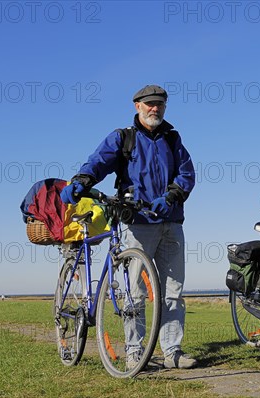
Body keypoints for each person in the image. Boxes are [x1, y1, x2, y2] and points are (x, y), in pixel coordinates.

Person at [60, 84, 197, 369]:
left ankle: (172, 352)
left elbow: (187, 173)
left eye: (159, 103)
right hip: (138, 222)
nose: (154, 108)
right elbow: (99, 162)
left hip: (171, 222)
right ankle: (135, 352)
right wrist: (82, 180)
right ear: (137, 105)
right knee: (135, 291)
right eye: (149, 103)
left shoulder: (173, 138)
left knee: (173, 291)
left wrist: (171, 196)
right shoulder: (124, 138)